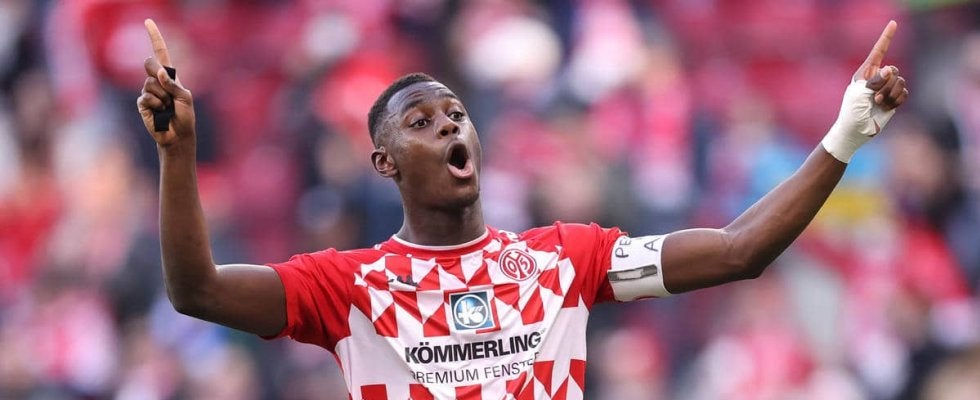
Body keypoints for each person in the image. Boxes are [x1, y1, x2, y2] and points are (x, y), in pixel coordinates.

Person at [136, 18, 908, 400]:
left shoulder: (562, 260)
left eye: (456, 114)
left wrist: (845, 134)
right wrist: (178, 155)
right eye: (421, 122)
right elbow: (196, 291)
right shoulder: (350, 287)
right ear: (384, 164)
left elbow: (741, 250)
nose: (449, 126)